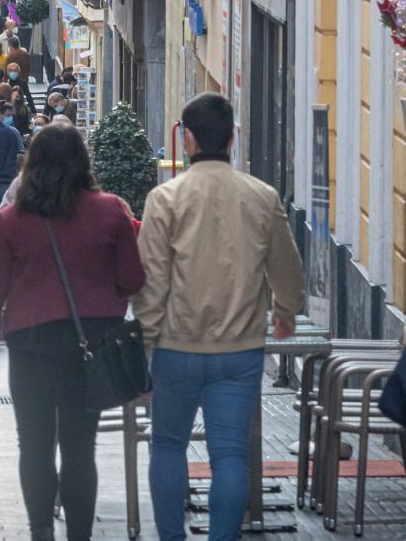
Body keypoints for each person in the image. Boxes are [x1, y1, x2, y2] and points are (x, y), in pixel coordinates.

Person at [0, 121, 145, 541]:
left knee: (34, 444)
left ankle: (41, 530)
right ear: (83, 162)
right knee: (81, 446)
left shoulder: (10, 220)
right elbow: (133, 279)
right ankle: (79, 534)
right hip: (92, 344)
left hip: (31, 344)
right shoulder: (111, 210)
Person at [135, 95, 304, 541]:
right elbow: (287, 266)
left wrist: (145, 345)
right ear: (231, 139)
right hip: (239, 349)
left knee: (168, 446)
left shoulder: (164, 199)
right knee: (230, 456)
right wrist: (285, 311)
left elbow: (151, 281)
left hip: (175, 346)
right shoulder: (261, 196)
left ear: (187, 139)